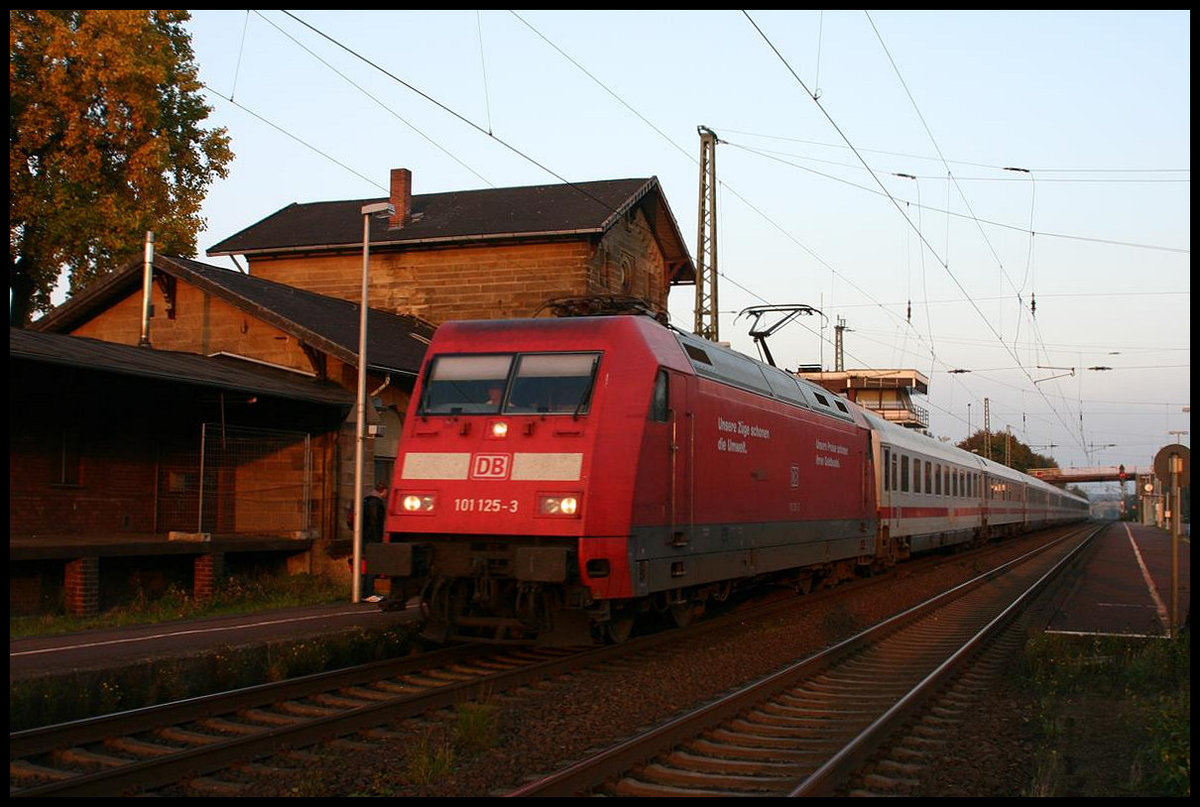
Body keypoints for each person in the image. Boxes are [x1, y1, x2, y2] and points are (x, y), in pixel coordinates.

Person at [360, 481, 388, 602]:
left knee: (368, 566)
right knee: (372, 566)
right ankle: (368, 593)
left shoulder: (366, 501)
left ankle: (365, 591)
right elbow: (375, 523)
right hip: (372, 539)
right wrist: (378, 540)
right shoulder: (375, 503)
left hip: (365, 538)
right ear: (384, 491)